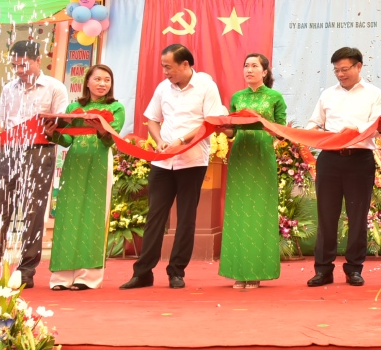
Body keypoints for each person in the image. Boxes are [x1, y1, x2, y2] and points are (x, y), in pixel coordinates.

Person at [120, 44, 226, 290]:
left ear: (185, 64)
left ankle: (176, 271)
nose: (165, 72)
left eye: (168, 67)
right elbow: (152, 120)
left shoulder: (206, 86)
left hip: (192, 161)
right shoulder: (162, 88)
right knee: (155, 216)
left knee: (186, 218)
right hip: (163, 161)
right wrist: (159, 141)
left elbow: (210, 123)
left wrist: (181, 140)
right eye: (163, 67)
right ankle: (143, 273)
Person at [0, 40, 68, 289]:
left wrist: (53, 127)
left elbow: (62, 121)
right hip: (9, 151)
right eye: (15, 65)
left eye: (24, 65)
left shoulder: (55, 87)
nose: (19, 71)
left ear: (38, 61)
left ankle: (26, 271)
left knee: (33, 213)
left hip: (39, 152)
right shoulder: (8, 88)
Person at [305, 47, 381, 287]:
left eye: (345, 69)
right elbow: (314, 122)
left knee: (357, 217)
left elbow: (378, 126)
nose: (340, 74)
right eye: (337, 70)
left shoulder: (374, 94)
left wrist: (354, 132)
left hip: (359, 160)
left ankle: (354, 269)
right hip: (330, 159)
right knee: (326, 216)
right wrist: (307, 134)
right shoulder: (328, 95)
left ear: (359, 67)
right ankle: (323, 270)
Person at [47, 64, 125, 290]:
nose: (102, 84)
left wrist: (101, 129)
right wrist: (52, 134)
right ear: (87, 82)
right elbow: (66, 140)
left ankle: (88, 276)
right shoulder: (73, 107)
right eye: (97, 79)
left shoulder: (116, 107)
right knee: (67, 215)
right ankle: (62, 276)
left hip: (99, 160)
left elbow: (111, 140)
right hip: (75, 162)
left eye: (107, 80)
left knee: (93, 214)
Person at [218, 53, 286, 289]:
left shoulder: (275, 97)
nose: (249, 70)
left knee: (260, 211)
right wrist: (222, 127)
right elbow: (232, 132)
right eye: (246, 65)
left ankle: (256, 271)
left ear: (265, 72)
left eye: (254, 66)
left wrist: (262, 124)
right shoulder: (237, 97)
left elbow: (281, 131)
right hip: (240, 154)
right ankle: (238, 271)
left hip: (262, 154)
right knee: (238, 211)